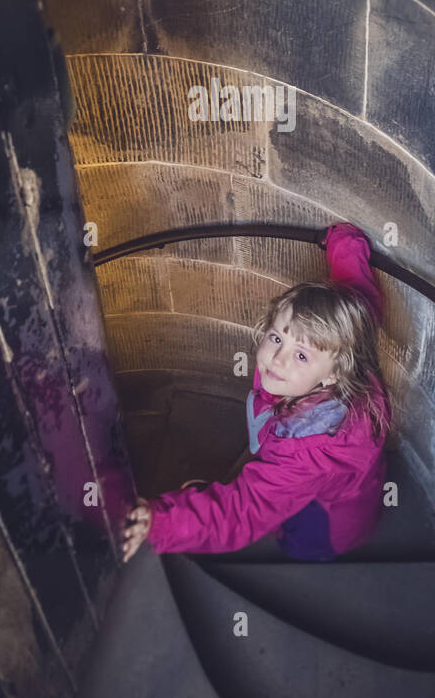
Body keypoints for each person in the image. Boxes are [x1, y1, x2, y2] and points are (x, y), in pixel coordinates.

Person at [121, 222, 393, 563]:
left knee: (294, 536)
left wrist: (160, 524)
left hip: (323, 526)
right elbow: (355, 282)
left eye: (301, 355)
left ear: (333, 375)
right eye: (277, 338)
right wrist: (342, 238)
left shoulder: (307, 452)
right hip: (349, 493)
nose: (276, 360)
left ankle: (295, 545)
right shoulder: (350, 343)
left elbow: (242, 512)